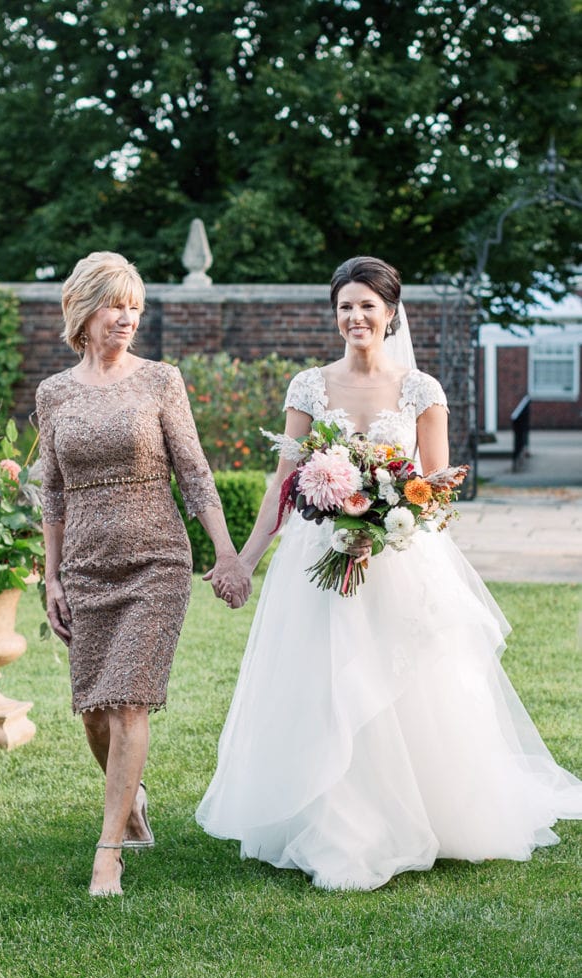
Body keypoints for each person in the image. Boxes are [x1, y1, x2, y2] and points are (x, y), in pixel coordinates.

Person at [197, 255, 582, 891]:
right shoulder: (309, 387)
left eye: (366, 306)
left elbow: (437, 488)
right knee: (325, 685)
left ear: (390, 312)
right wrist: (245, 556)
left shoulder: (421, 391)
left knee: (404, 688)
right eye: (345, 306)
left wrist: (391, 513)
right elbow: (285, 482)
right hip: (318, 560)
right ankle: (330, 820)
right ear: (335, 314)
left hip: (398, 558)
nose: (355, 317)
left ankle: (431, 813)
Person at [36, 251, 249, 897]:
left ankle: (110, 852)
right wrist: (50, 578)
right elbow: (51, 493)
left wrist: (226, 552)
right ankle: (130, 801)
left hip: (156, 558)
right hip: (85, 567)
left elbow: (193, 471)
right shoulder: (54, 393)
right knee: (94, 712)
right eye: (115, 305)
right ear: (83, 310)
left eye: (135, 306)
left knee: (127, 700)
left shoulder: (160, 380)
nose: (127, 317)